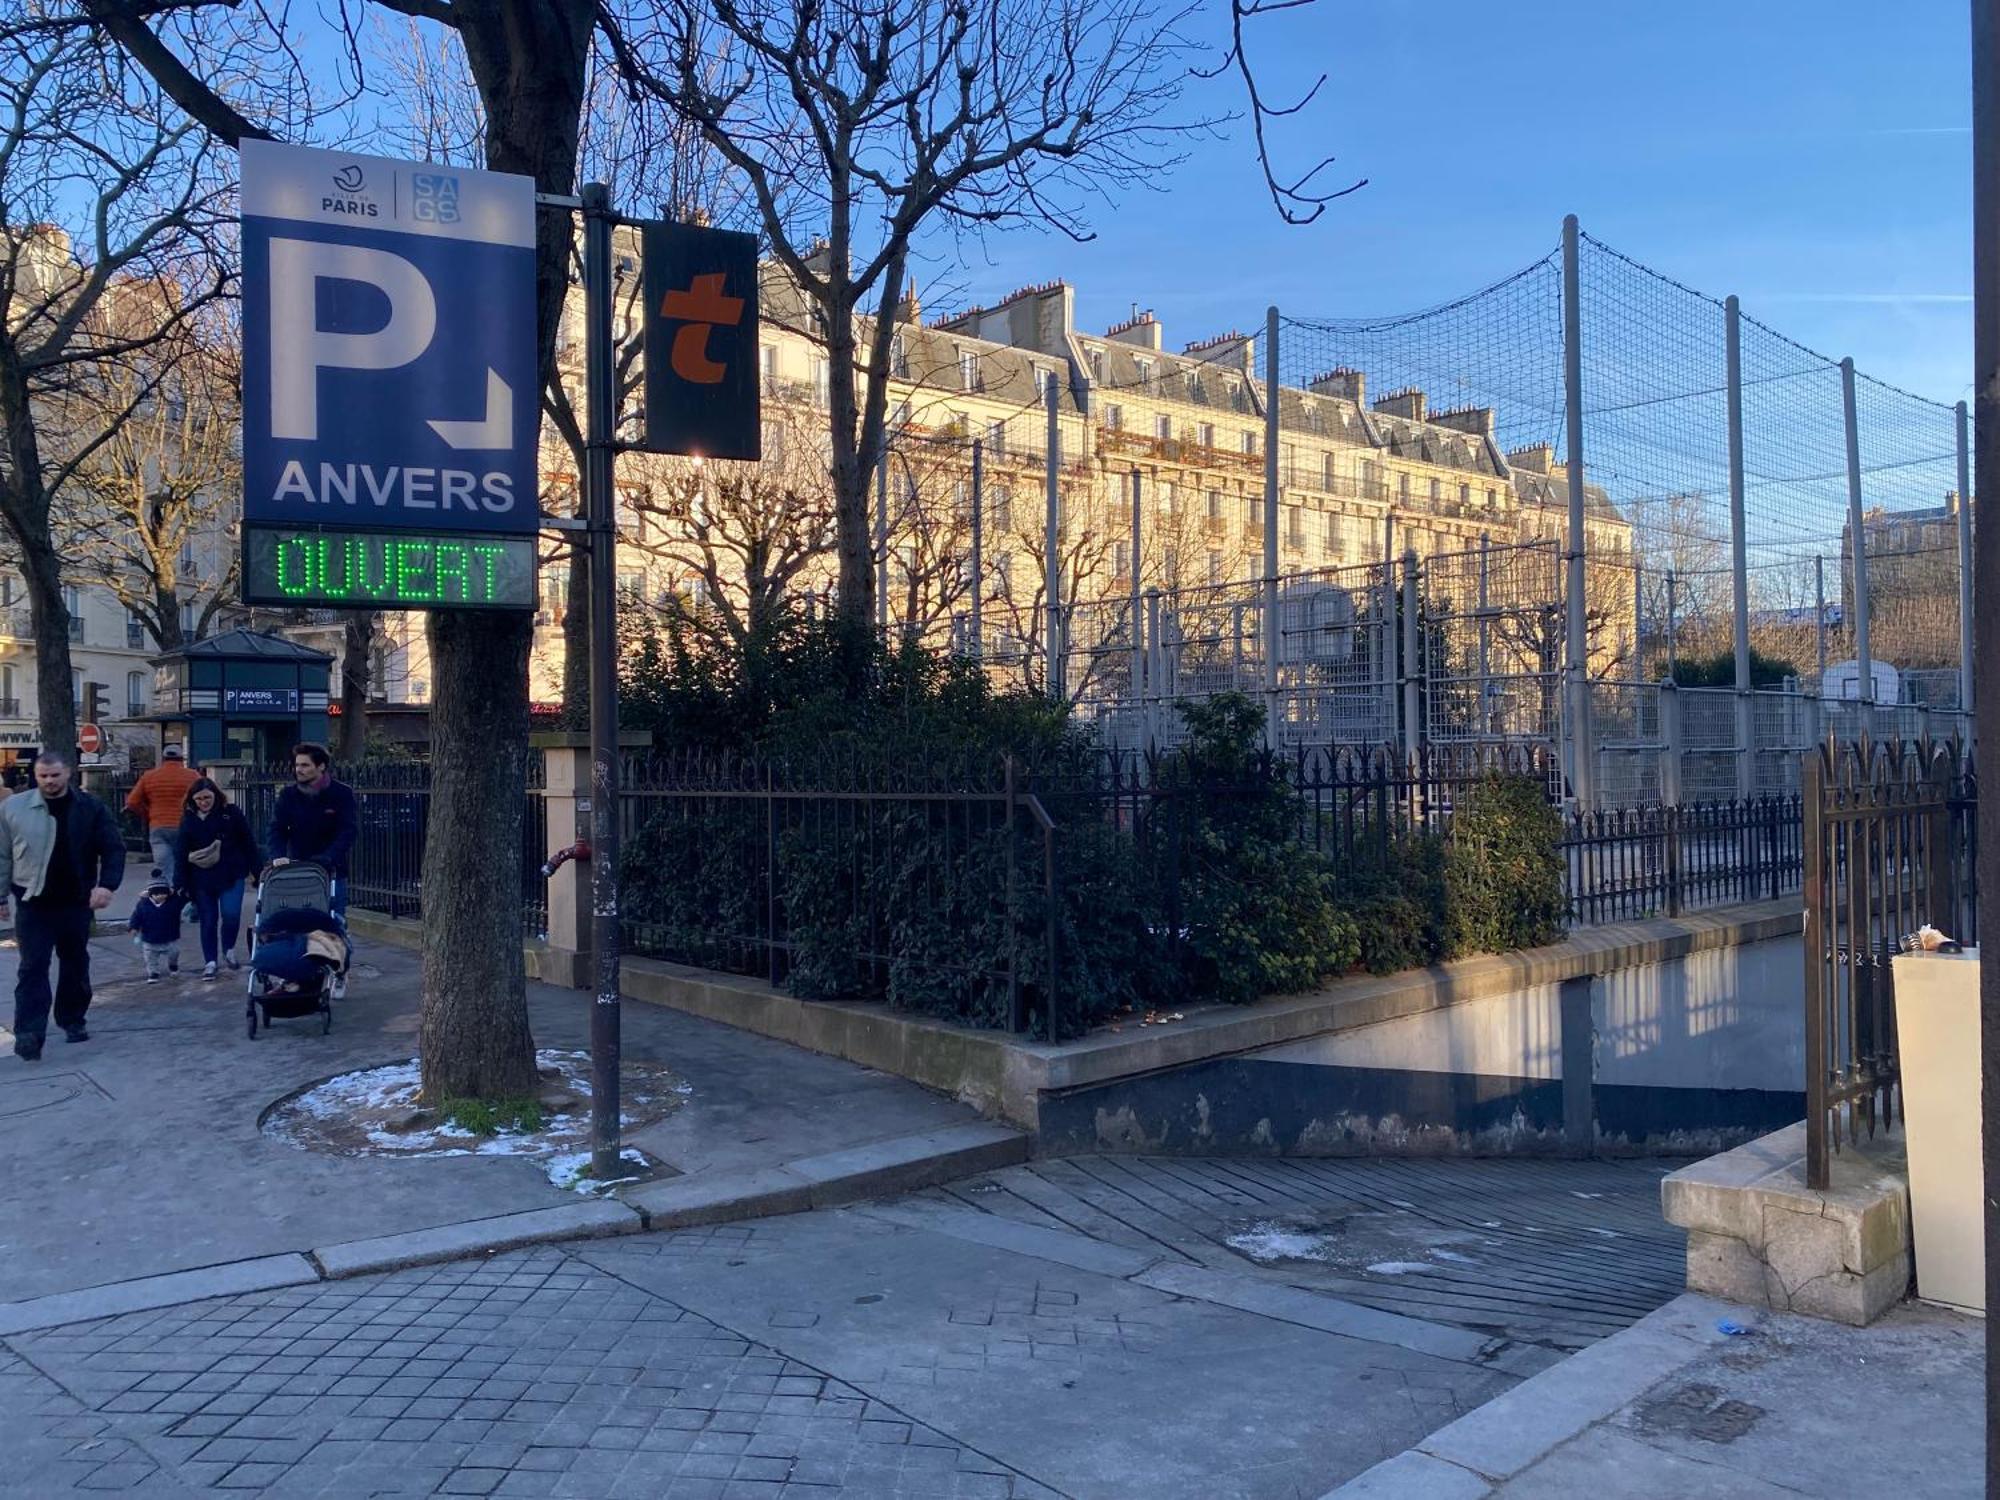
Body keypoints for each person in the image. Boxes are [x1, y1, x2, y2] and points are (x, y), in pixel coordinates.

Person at [0, 750, 125, 1059]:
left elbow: (113, 847)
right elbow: (2, 854)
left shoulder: (90, 808)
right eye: (43, 776)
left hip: (75, 901)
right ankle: (29, 1032)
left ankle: (72, 1019)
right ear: (35, 775)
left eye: (55, 775)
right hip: (33, 902)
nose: (50, 782)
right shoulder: (13, 808)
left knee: (74, 962)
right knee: (32, 967)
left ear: (68, 773)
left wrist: (106, 886)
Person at [177, 777, 261, 980]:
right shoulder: (189, 819)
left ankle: (229, 949)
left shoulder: (230, 813)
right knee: (208, 919)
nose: (204, 802)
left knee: (231, 914)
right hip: (201, 877)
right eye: (199, 799)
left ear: (215, 795)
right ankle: (210, 961)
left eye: (207, 797)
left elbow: (248, 841)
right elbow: (180, 851)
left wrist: (257, 871)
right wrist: (180, 882)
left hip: (231, 871)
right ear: (192, 800)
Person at [268, 742, 357, 917]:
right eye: (297, 765)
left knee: (333, 922)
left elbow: (348, 830)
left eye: (305, 765)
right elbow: (276, 828)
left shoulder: (341, 794)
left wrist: (329, 856)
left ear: (321, 766)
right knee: (298, 921)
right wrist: (277, 855)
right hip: (297, 868)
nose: (298, 769)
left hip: (331, 871)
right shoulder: (288, 795)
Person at [124, 744, 198, 889]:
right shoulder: (192, 776)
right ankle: (184, 892)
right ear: (181, 758)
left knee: (163, 863)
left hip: (158, 825)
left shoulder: (149, 776)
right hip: (184, 825)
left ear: (163, 759)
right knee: (184, 861)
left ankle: (169, 892)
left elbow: (132, 802)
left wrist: (147, 813)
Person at [126, 876, 182, 982]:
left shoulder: (172, 903)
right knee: (150, 958)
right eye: (157, 894)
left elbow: (180, 901)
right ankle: (153, 973)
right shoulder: (143, 904)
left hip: (169, 937)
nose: (161, 896)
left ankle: (173, 966)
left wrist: (173, 893)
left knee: (174, 953)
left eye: (164, 893)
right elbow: (136, 916)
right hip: (150, 938)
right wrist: (133, 927)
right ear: (151, 894)